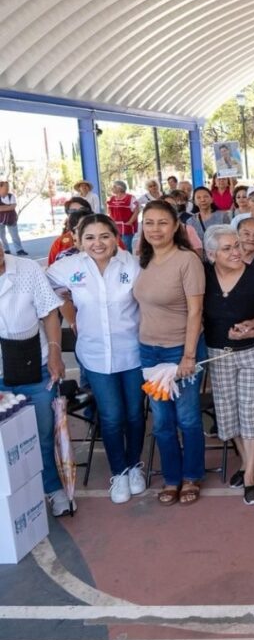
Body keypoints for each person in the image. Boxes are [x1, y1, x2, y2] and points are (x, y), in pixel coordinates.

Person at [47, 214, 146, 504]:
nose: (97, 243)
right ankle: (119, 472)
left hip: (133, 353)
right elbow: (43, 289)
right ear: (79, 241)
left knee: (134, 413)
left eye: (104, 236)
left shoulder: (132, 265)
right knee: (112, 416)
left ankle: (134, 466)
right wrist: (70, 316)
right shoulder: (68, 267)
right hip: (95, 356)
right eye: (89, 237)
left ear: (116, 238)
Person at [132, 200, 206, 506]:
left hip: (180, 350)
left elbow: (196, 311)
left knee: (187, 418)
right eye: (149, 222)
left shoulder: (187, 260)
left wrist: (189, 355)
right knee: (162, 421)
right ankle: (172, 478)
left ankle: (192, 476)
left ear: (176, 226)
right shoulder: (142, 260)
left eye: (162, 222)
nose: (155, 229)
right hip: (149, 351)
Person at [202, 226, 254, 506]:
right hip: (218, 354)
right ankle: (247, 463)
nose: (236, 252)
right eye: (227, 248)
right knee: (228, 411)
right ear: (212, 255)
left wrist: (253, 326)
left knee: (250, 410)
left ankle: (250, 477)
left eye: (237, 245)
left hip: (253, 352)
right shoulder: (204, 276)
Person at [0, 240, 71, 516]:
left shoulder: (27, 268)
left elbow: (49, 313)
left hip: (36, 365)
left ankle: (53, 489)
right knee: (5, 444)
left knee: (42, 434)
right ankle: (16, 503)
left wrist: (55, 352)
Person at [107, 180, 139, 250]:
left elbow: (136, 211)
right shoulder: (111, 199)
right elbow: (109, 212)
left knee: (126, 246)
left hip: (127, 227)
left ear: (120, 188)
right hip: (116, 226)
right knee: (117, 246)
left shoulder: (130, 198)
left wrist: (130, 222)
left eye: (114, 187)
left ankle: (128, 257)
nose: (112, 188)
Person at [0, 181, 28, 256]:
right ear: (0, 187)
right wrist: (9, 207)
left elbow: (13, 206)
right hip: (0, 220)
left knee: (15, 235)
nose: (7, 188)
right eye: (6, 187)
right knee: (2, 236)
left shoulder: (11, 196)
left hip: (11, 219)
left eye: (8, 187)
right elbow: (9, 207)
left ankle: (19, 250)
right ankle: (6, 250)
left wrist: (4, 207)